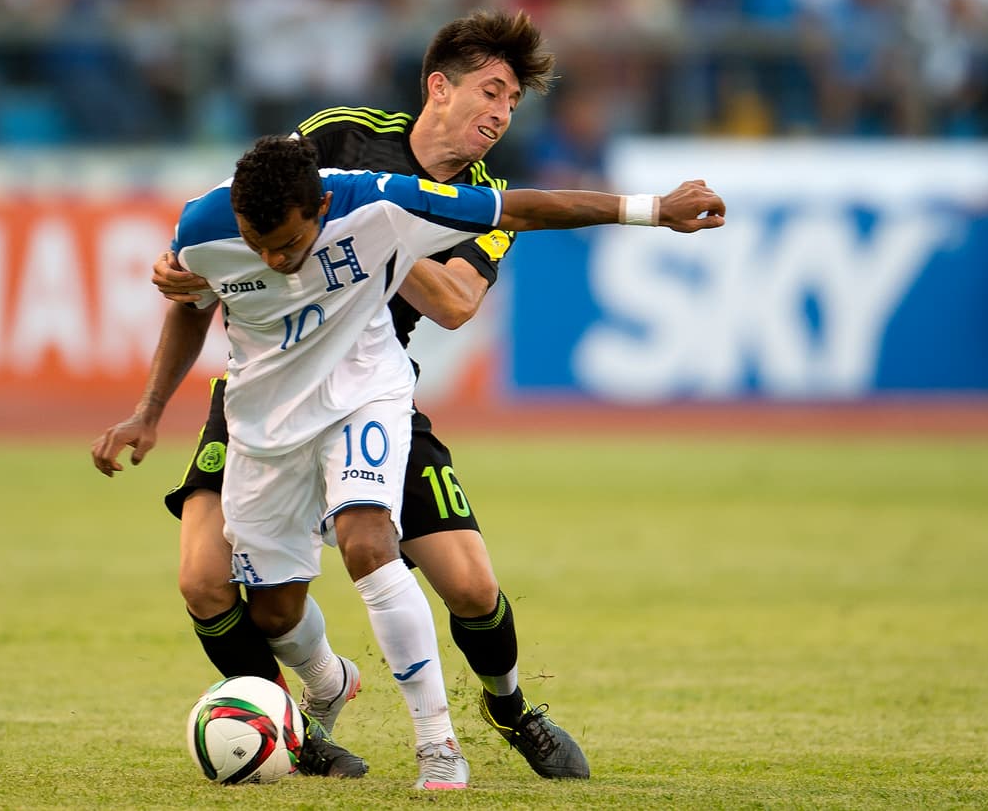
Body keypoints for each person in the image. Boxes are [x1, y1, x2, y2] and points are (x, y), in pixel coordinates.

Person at [122, 133, 723, 789]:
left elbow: (523, 208)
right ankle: (329, 679)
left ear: (320, 207)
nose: (272, 259)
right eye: (256, 244)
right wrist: (148, 412)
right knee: (273, 613)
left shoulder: (380, 202)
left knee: (368, 540)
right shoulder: (202, 225)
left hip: (364, 397)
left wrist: (652, 209)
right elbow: (191, 306)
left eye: (288, 245)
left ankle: (438, 746)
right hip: (265, 424)